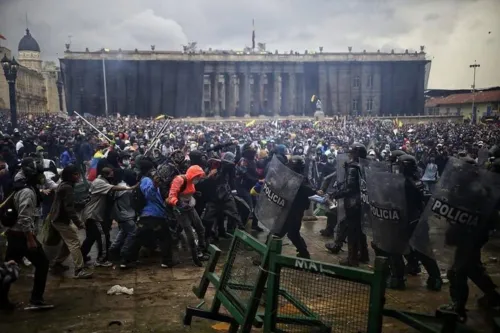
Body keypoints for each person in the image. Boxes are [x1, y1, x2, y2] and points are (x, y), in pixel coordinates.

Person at [3, 157, 54, 310]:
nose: (42, 177)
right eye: (39, 174)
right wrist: (30, 239)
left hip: (13, 234)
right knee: (43, 264)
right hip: (22, 236)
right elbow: (25, 218)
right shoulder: (27, 192)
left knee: (8, 269)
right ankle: (36, 299)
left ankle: (2, 301)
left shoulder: (22, 185)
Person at [80, 167, 135, 267]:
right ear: (106, 175)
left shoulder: (99, 180)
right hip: (93, 214)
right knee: (102, 236)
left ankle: (81, 256)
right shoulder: (100, 182)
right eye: (111, 174)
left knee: (91, 237)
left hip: (90, 213)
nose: (113, 177)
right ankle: (101, 260)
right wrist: (130, 188)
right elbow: (114, 188)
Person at [128, 159, 176, 268]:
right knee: (165, 238)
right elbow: (149, 193)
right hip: (154, 214)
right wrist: (154, 185)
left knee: (138, 238)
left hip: (148, 215)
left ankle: (127, 260)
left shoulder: (144, 179)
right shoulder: (147, 180)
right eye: (153, 169)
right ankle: (167, 261)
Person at [48, 165, 93, 279]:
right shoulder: (67, 187)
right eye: (75, 174)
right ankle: (79, 270)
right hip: (61, 219)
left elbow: (67, 205)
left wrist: (81, 203)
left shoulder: (64, 185)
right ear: (69, 175)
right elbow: (69, 209)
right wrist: (79, 223)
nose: (78, 176)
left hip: (58, 218)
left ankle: (56, 264)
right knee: (74, 242)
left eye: (78, 173)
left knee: (68, 243)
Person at [332, 143, 369, 267]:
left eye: (352, 152)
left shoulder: (353, 168)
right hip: (363, 201)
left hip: (353, 203)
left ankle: (352, 259)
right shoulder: (366, 166)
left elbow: (349, 189)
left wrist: (336, 194)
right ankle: (364, 254)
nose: (349, 155)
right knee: (360, 230)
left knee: (352, 231)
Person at [167, 164, 209, 267]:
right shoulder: (180, 180)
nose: (198, 179)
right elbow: (171, 196)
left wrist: (195, 194)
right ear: (192, 175)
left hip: (189, 206)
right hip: (180, 209)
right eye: (197, 177)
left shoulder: (191, 181)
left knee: (200, 228)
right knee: (189, 233)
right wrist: (178, 203)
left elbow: (189, 191)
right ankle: (195, 257)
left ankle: (201, 250)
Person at [108, 169, 137, 268]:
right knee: (133, 232)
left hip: (120, 214)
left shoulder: (117, 186)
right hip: (125, 215)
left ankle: (113, 250)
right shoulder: (124, 188)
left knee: (123, 231)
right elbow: (131, 195)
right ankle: (124, 255)